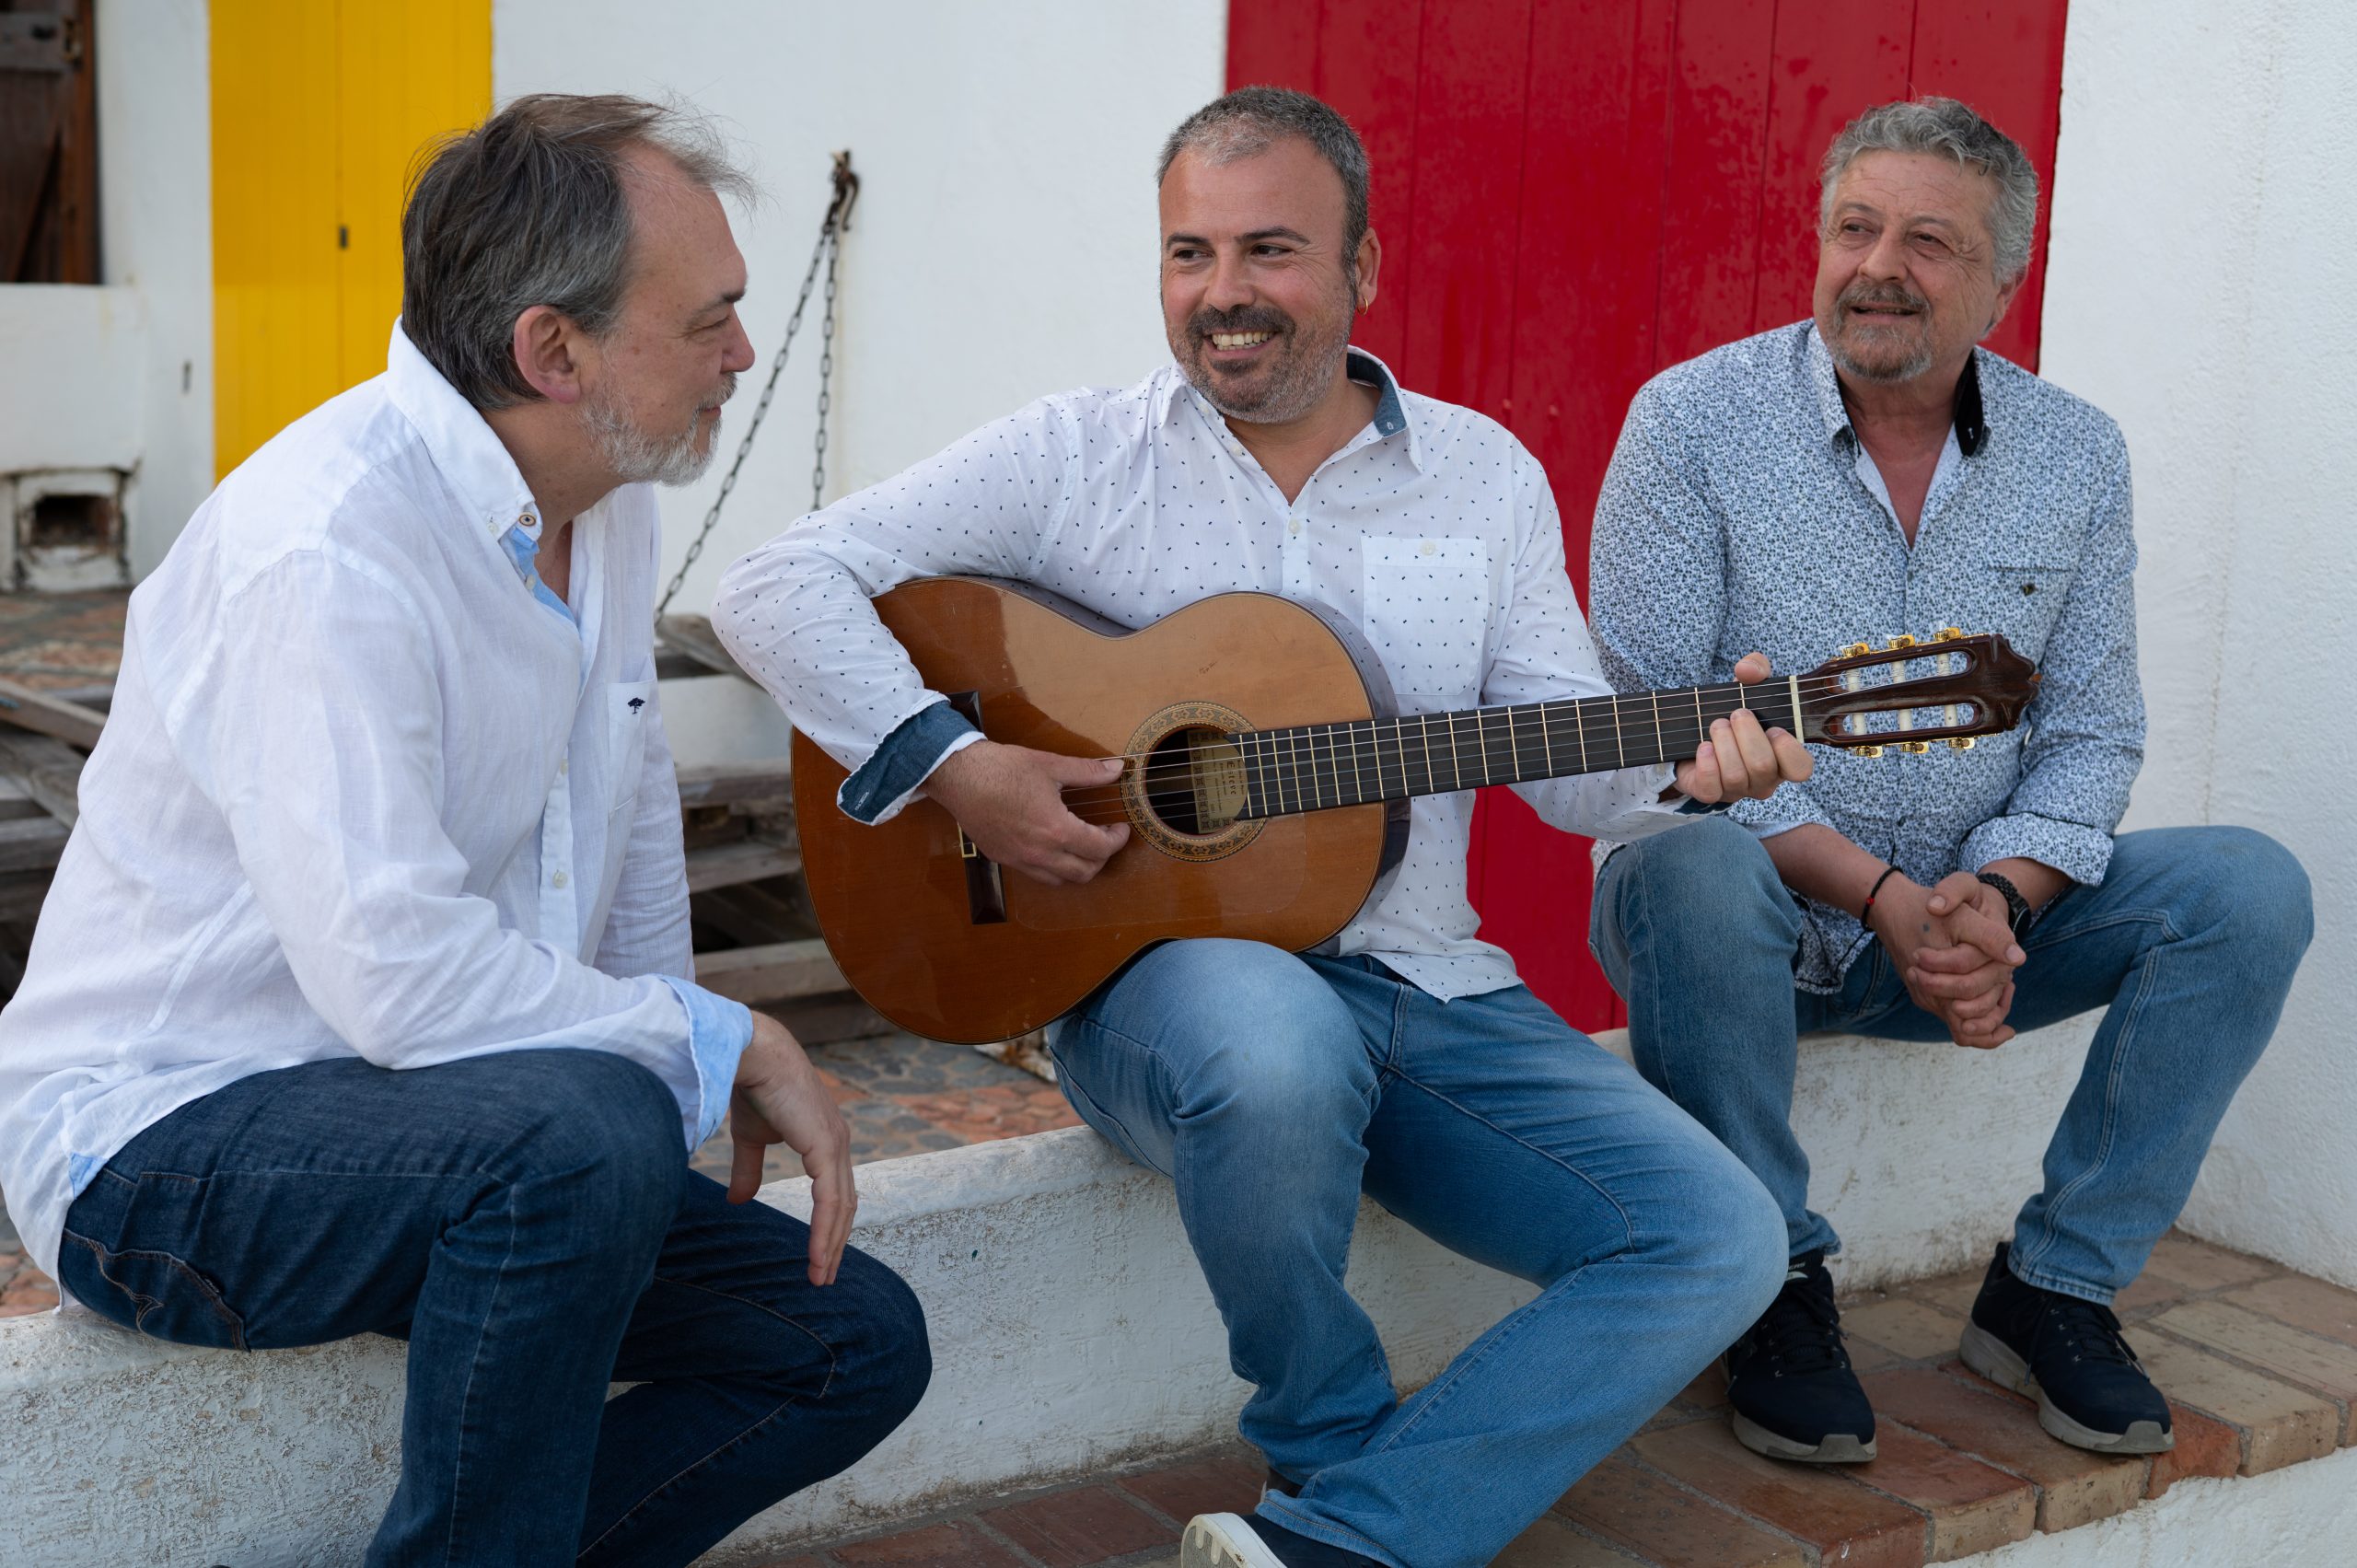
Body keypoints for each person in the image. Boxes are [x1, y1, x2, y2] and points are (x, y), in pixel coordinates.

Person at [715, 87, 1814, 1568]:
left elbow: (1566, 768)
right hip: (1164, 996)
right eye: (1191, 253)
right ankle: (1330, 1443)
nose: (1222, 293)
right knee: (1274, 1042)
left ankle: (1344, 1543)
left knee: (1723, 1238)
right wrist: (957, 767)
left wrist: (1697, 770)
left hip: (1425, 987)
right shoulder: (1077, 455)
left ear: (1362, 267)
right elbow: (773, 587)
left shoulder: (1484, 476)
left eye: (1269, 251)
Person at [0, 95, 930, 1568]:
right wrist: (716, 1044)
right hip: (164, 1153)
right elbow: (397, 978)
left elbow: (629, 815)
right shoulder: (325, 548)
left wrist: (667, 1091)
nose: (744, 354)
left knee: (851, 1343)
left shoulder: (601, 493)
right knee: (586, 1132)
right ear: (554, 352)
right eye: (709, 320)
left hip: (447, 1136)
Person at [1587, 97, 2312, 1468]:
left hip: (1977, 935)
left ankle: (2057, 1285)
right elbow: (1657, 730)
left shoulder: (2075, 452)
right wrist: (1882, 896)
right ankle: (1769, 1279)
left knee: (2247, 888)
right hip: (1738, 932)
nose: (1879, 267)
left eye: (1929, 242)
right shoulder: (1690, 422)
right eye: (1854, 229)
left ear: (2003, 284)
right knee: (1684, 859)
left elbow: (2094, 730)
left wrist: (1996, 897)